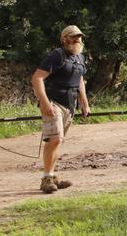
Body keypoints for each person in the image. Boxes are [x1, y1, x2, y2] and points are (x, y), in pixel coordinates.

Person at [30, 25, 90, 193]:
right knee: (55, 139)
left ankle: (53, 176)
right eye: (73, 36)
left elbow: (79, 80)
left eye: (79, 36)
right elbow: (37, 78)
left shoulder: (80, 57)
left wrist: (84, 103)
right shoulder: (57, 55)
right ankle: (47, 179)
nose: (77, 39)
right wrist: (45, 102)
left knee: (58, 141)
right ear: (64, 39)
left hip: (70, 104)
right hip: (53, 102)